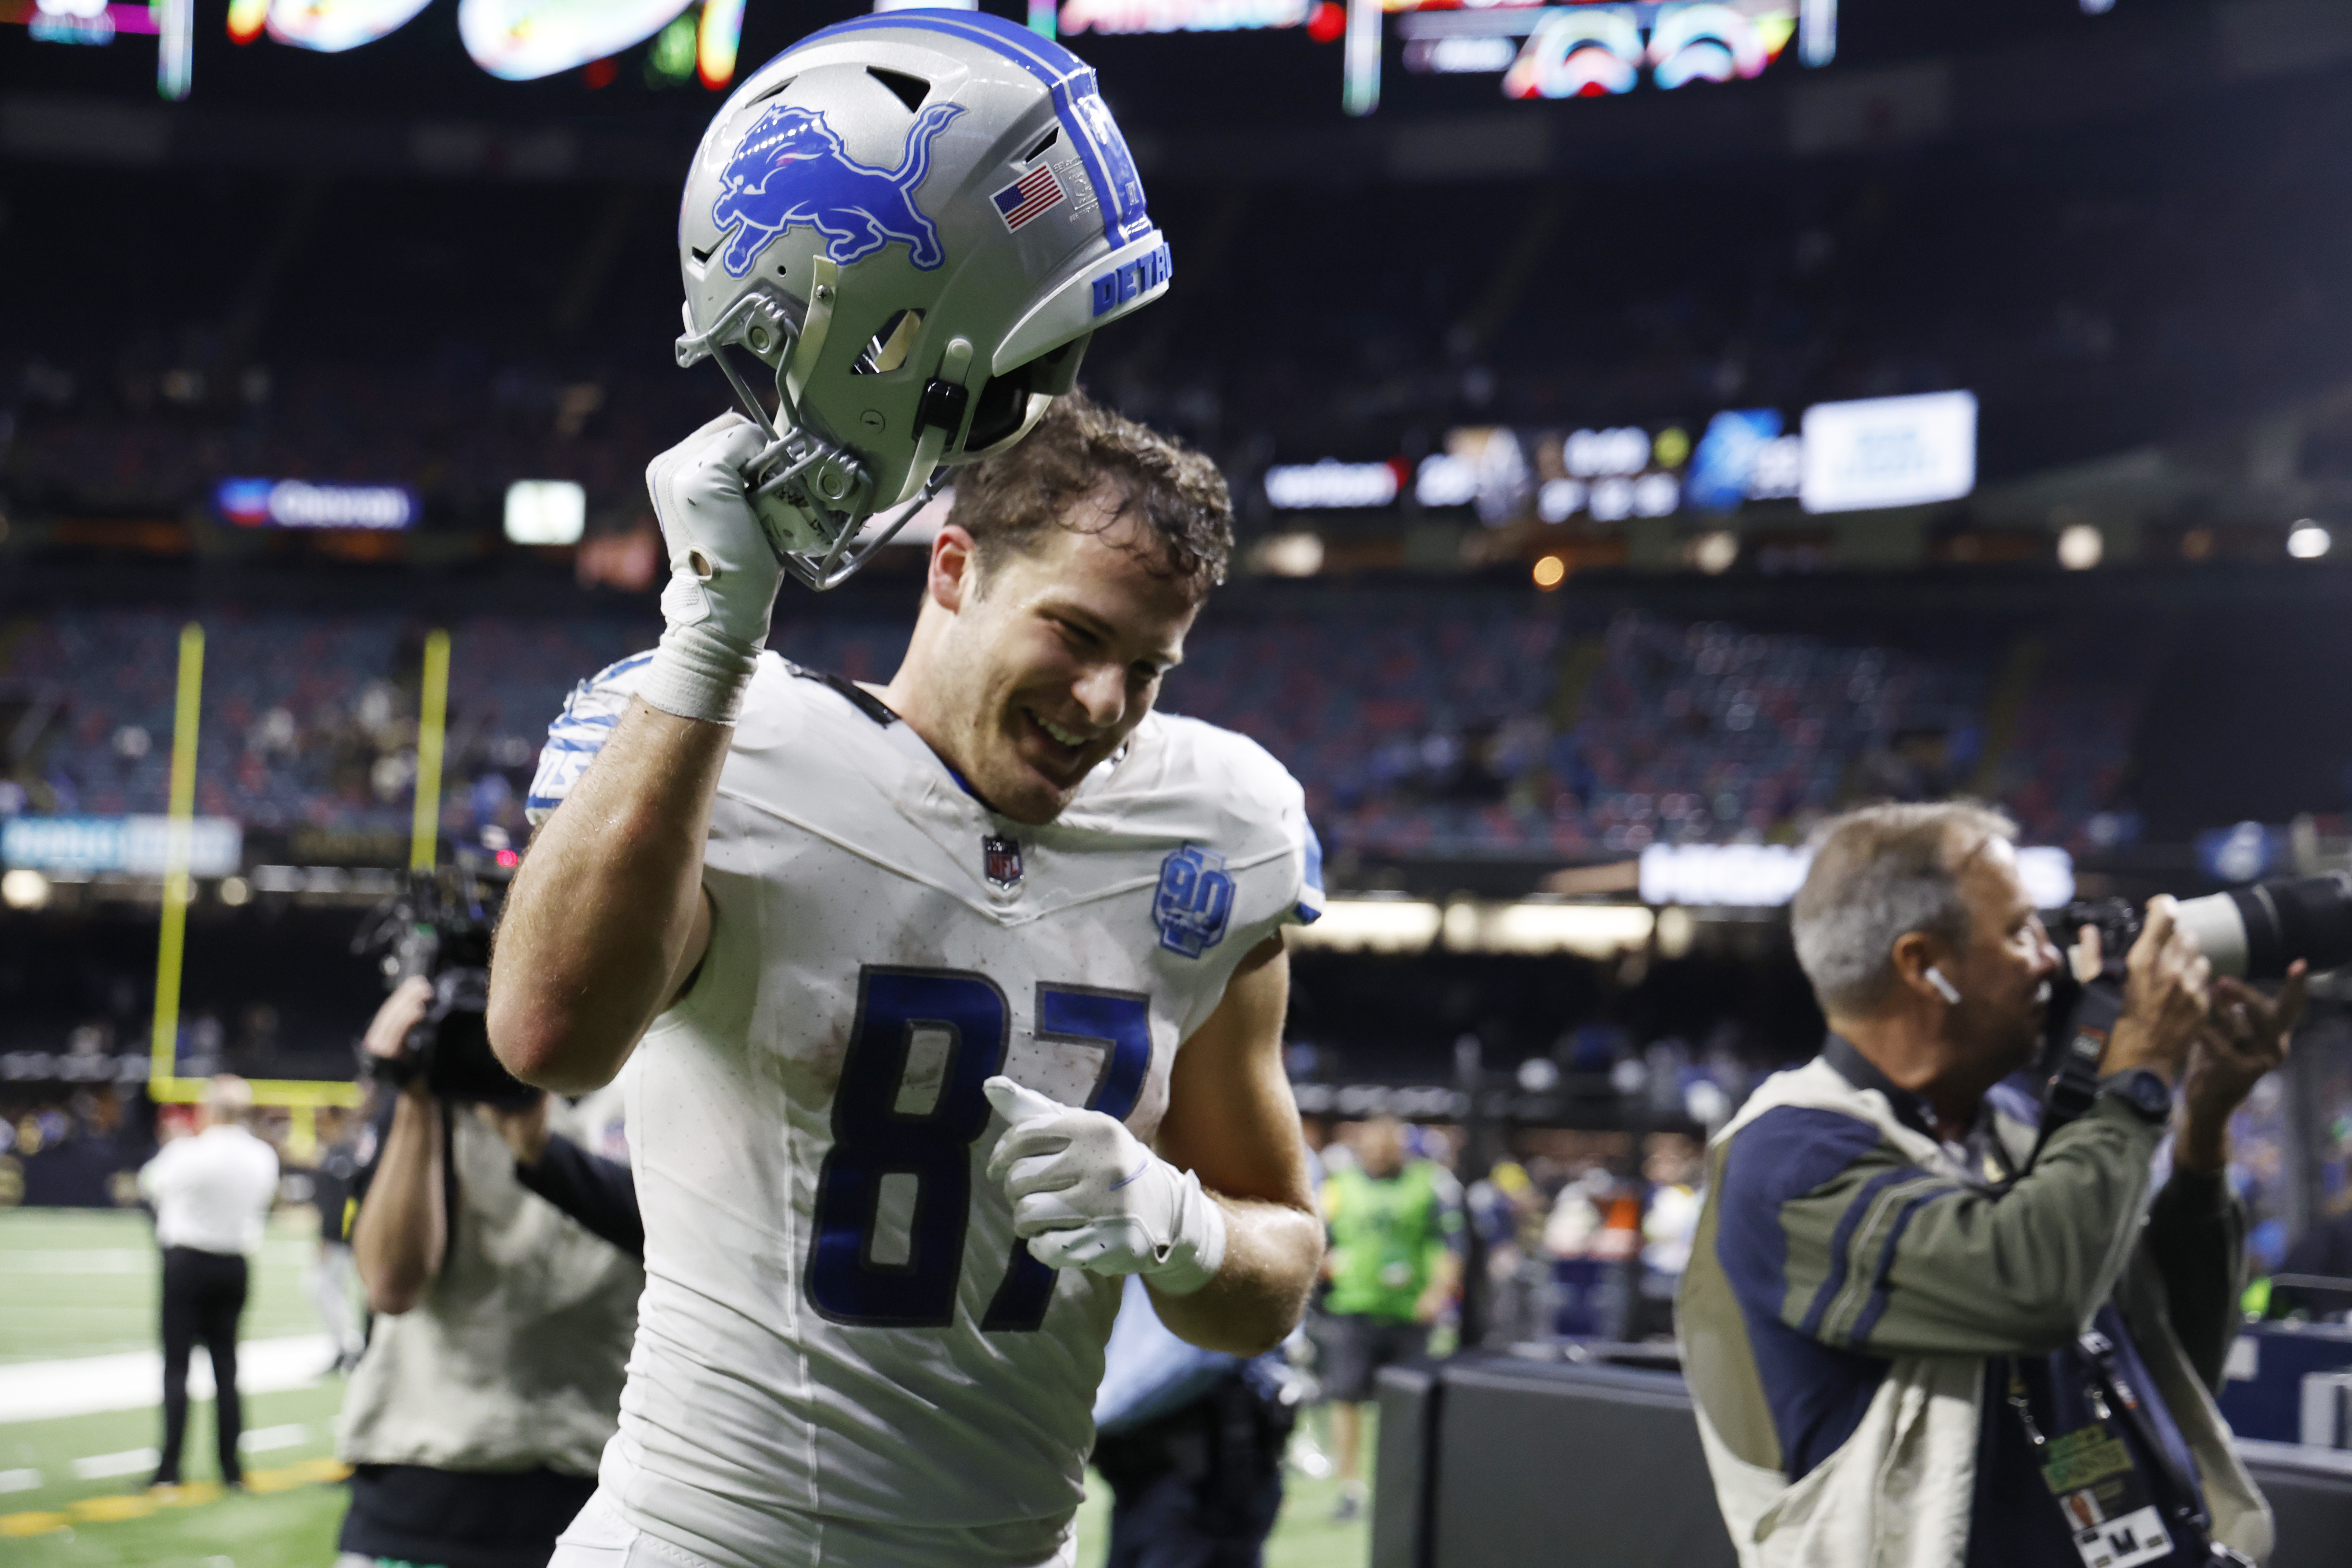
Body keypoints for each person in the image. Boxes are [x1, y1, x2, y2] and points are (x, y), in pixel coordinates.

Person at [489, 381, 1326, 1566]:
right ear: (952, 569)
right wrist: (709, 642)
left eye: (1148, 668)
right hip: (702, 1539)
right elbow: (547, 1035)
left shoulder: (1216, 823)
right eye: (1076, 634)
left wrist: (1174, 1223)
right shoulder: (731, 736)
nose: (1104, 705)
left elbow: (1277, 1263)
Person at [1678, 802, 2296, 1568]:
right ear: (1922, 964)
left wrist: (2201, 1134)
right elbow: (2034, 1287)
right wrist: (2136, 1072)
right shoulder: (1791, 1160)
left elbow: (2165, 1351)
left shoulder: (2000, 1124)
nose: (2048, 959)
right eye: (2018, 932)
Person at [337, 973, 641, 1568]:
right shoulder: (445, 1071)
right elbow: (392, 1285)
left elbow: (681, 1233)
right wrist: (414, 1096)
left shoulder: (673, 1065)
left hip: (602, 1481)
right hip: (429, 1480)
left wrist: (541, 1151)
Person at [137, 1073, 280, 1490]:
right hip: (234, 1265)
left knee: (178, 1367)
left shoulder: (189, 1151)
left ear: (211, 1109)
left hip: (187, 1263)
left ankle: (171, 1468)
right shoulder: (263, 1156)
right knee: (227, 1368)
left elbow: (150, 1184)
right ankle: (231, 1467)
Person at [1315, 1116, 1462, 1521]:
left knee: (1407, 1403)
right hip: (1354, 1306)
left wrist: (1438, 1293)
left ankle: (1404, 1487)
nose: (1379, 1155)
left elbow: (1450, 1242)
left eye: (1387, 1147)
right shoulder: (1340, 1184)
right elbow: (1316, 1236)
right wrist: (1327, 1263)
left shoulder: (1428, 1183)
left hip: (1408, 1311)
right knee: (1345, 1398)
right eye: (1372, 1147)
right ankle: (1350, 1488)